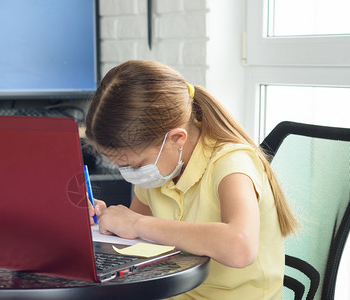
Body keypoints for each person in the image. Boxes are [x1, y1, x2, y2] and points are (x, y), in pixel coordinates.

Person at [85, 60, 297, 299]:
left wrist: (135, 223)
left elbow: (240, 247)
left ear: (176, 138)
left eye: (135, 165)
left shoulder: (231, 163)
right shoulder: (160, 169)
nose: (130, 174)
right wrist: (104, 224)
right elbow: (136, 243)